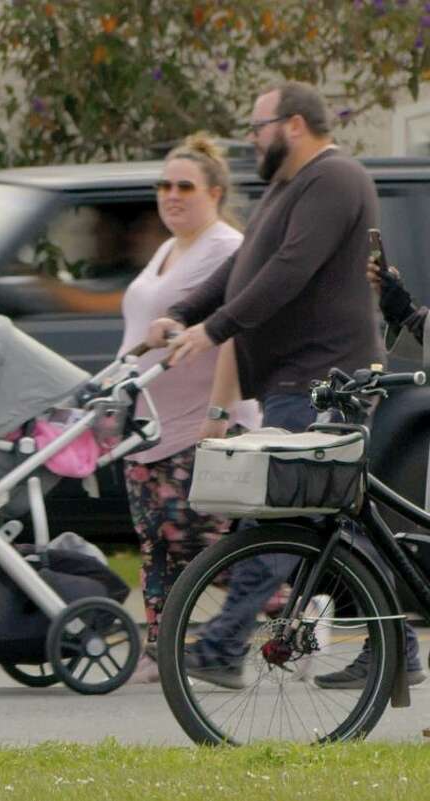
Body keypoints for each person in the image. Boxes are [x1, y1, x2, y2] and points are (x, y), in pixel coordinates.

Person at [147, 81, 424, 690]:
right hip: (293, 380)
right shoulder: (287, 185)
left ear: (294, 125)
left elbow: (289, 270)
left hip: (327, 379)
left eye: (259, 126)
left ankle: (221, 646)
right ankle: (397, 648)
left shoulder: (336, 179)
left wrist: (216, 328)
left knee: (285, 515)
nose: (253, 139)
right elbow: (242, 266)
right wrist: (186, 313)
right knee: (339, 520)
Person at [118, 133, 260, 683]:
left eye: (185, 187)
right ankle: (162, 650)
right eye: (164, 185)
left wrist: (218, 418)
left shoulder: (224, 248)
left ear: (215, 192)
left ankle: (299, 606)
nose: (171, 195)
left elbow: (233, 336)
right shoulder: (167, 247)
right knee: (156, 547)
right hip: (150, 424)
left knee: (198, 541)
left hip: (201, 423)